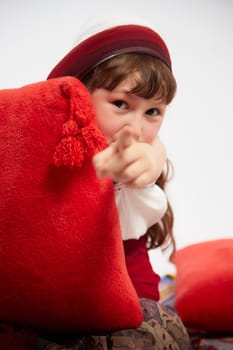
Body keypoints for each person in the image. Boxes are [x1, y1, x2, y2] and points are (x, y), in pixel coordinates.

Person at [3, 18, 192, 350]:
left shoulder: (139, 160)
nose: (136, 126)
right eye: (121, 104)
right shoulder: (47, 149)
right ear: (80, 97)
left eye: (153, 112)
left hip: (128, 309)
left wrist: (150, 162)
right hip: (47, 303)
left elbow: (141, 163)